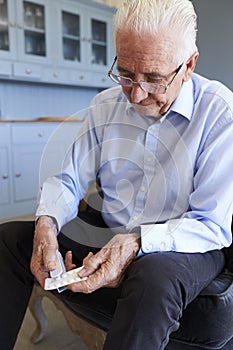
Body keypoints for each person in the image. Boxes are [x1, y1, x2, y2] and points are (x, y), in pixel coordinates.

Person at [1, 0, 233, 349]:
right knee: (10, 238)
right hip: (111, 229)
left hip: (189, 243)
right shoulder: (104, 105)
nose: (136, 95)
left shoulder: (220, 113)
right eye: (125, 73)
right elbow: (68, 180)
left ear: (189, 65)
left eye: (153, 78)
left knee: (152, 275)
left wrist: (139, 243)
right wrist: (47, 222)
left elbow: (211, 224)